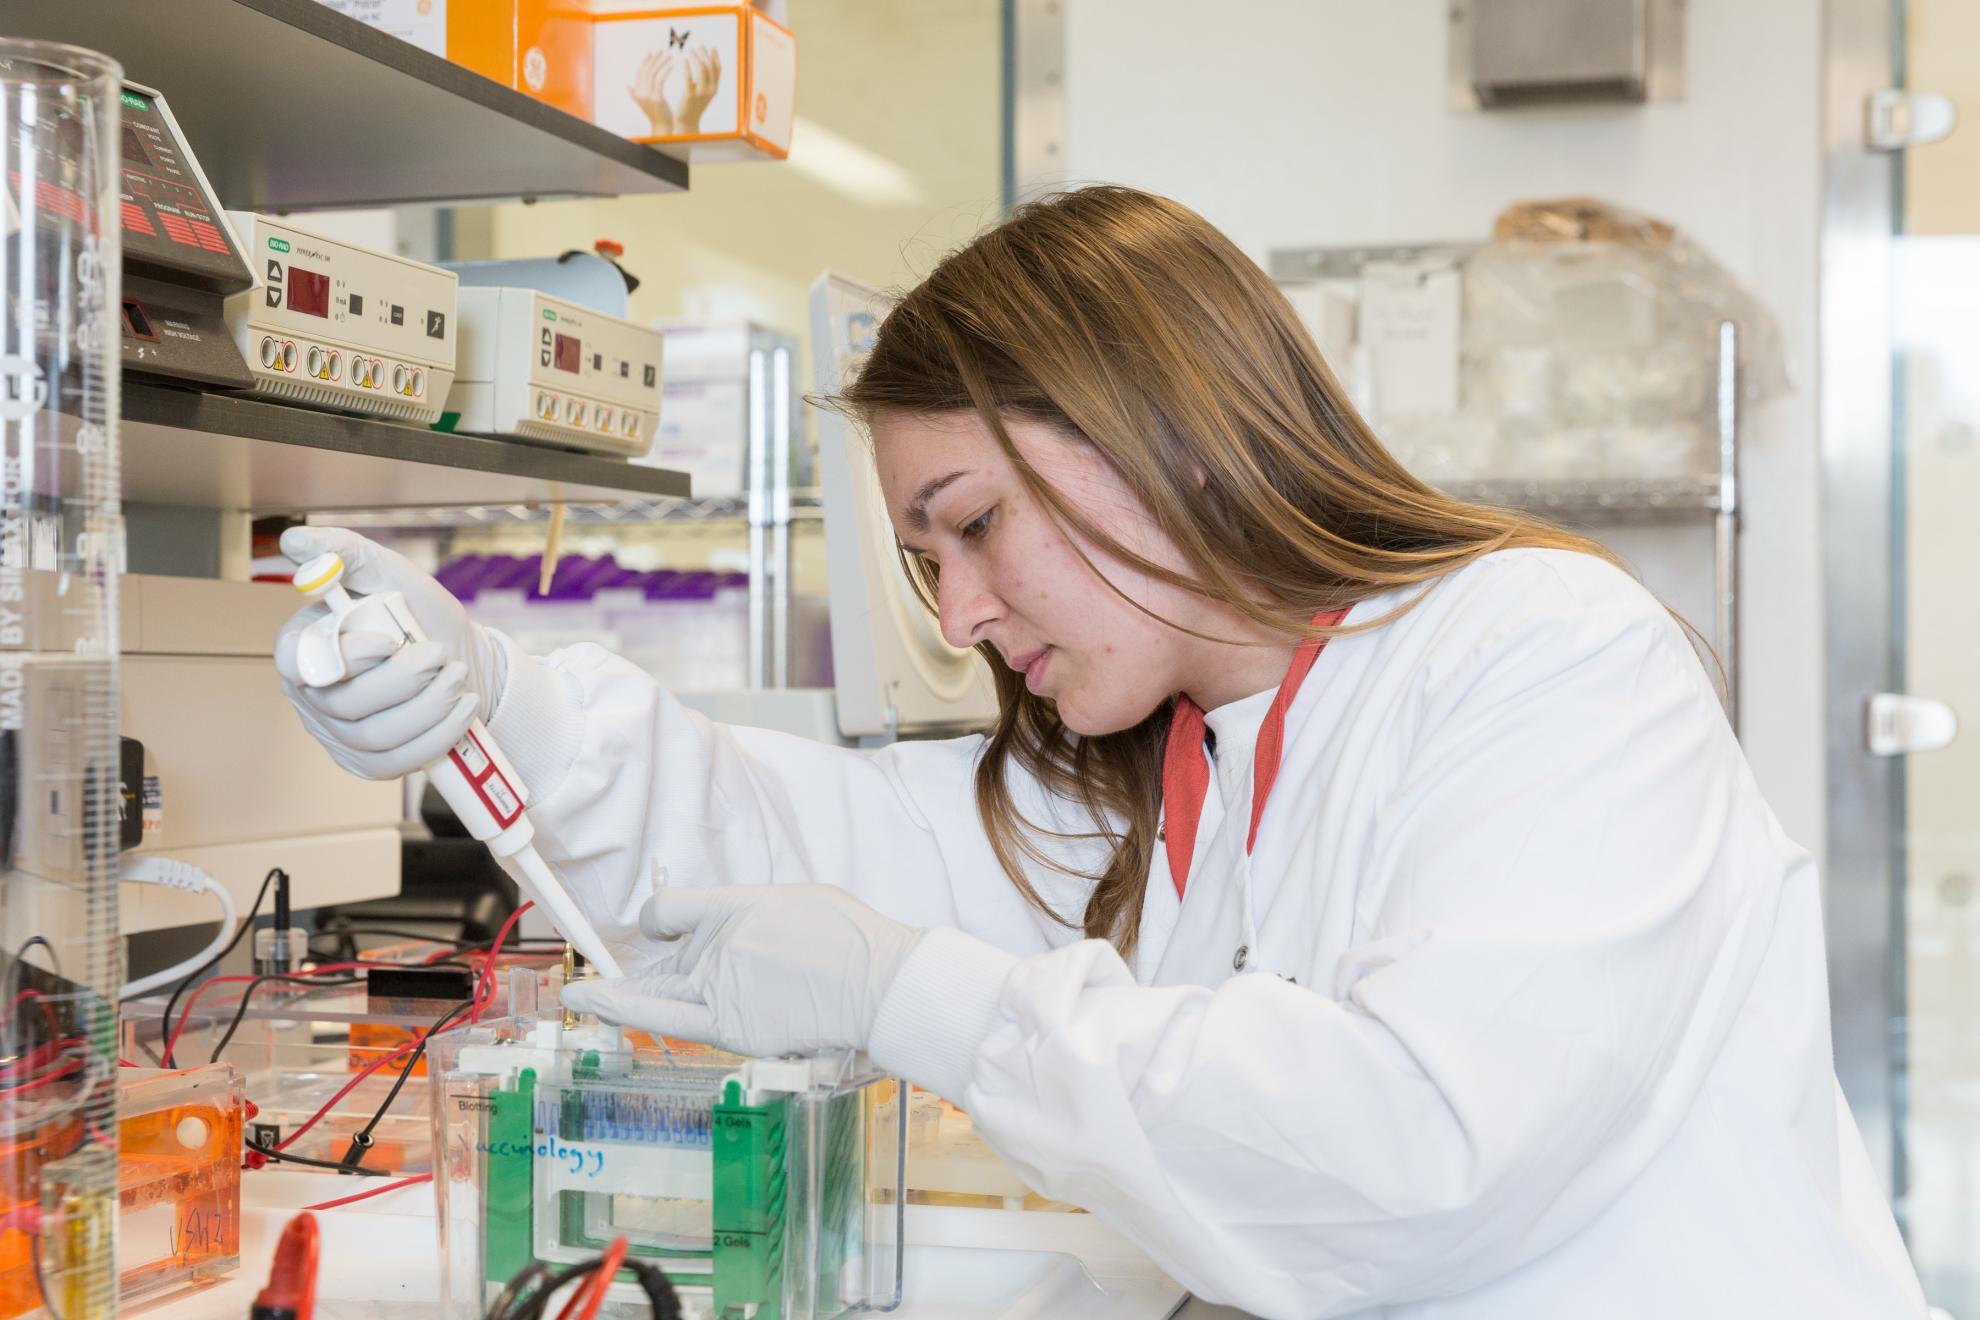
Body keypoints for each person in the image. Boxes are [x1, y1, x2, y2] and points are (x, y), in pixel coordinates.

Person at [275, 187, 1925, 1319]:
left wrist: (915, 996)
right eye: (928, 566)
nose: (967, 611)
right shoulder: (1173, 761)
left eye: (976, 526)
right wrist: (490, 693)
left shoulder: (1540, 657)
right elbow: (795, 846)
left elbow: (1424, 1148)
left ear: (1161, 421)